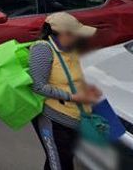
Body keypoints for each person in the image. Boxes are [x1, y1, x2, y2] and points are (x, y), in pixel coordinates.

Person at [29, 12, 102, 170]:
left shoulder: (71, 49)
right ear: (63, 34)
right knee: (61, 164)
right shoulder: (42, 50)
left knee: (61, 160)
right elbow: (38, 86)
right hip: (53, 119)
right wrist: (73, 97)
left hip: (75, 118)